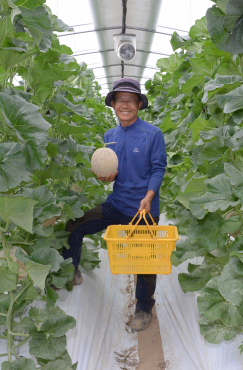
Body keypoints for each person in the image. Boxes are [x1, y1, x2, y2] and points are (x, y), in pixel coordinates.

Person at [62, 78, 167, 331]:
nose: (125, 105)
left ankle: (143, 306)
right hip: (117, 204)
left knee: (145, 261)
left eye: (131, 100)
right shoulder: (110, 135)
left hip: (143, 210)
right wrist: (106, 176)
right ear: (113, 105)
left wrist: (149, 196)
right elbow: (113, 169)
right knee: (74, 224)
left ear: (139, 104)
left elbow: (158, 168)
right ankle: (70, 269)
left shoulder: (152, 134)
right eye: (120, 100)